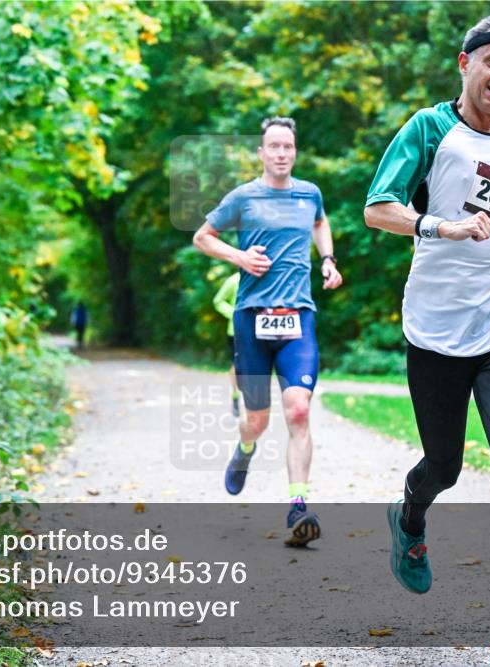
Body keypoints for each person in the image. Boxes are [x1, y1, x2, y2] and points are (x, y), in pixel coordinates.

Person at [364, 15, 490, 667]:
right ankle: (410, 518)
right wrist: (440, 226)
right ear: (464, 63)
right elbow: (377, 207)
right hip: (437, 329)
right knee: (445, 465)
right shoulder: (428, 129)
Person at [193, 116, 343, 547]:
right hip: (251, 319)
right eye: (273, 146)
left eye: (288, 147)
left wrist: (328, 259)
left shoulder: (309, 194)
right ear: (261, 153)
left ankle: (299, 506)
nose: (281, 153)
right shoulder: (243, 197)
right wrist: (240, 258)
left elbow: (319, 222)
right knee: (256, 422)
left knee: (297, 409)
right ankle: (245, 450)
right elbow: (204, 237)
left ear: (295, 152)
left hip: (299, 317)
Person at [212, 271, 242, 417]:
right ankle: (236, 397)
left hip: (259, 330)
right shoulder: (234, 279)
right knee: (237, 365)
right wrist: (234, 313)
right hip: (236, 331)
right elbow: (218, 300)